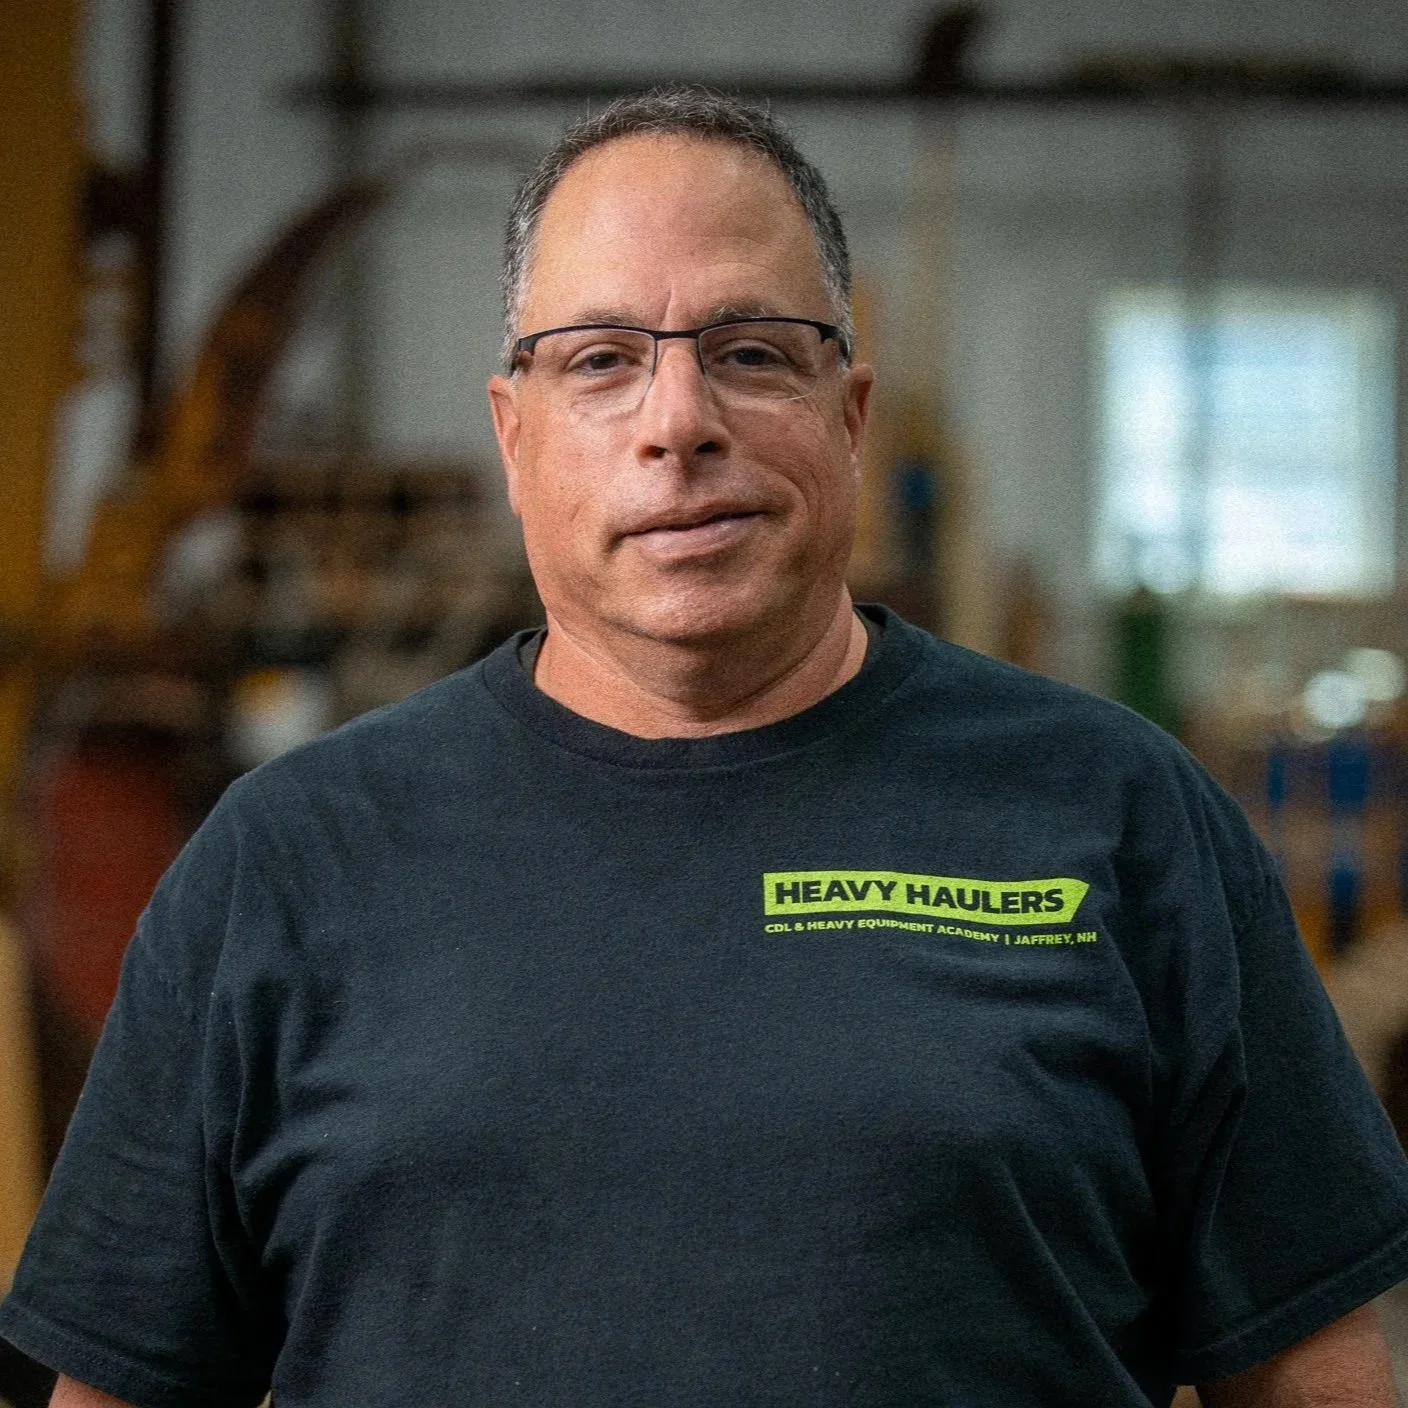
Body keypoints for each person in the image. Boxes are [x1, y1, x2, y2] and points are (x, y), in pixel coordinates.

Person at [4, 86, 1408, 1408]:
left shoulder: (1119, 814)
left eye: (749, 352)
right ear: (516, 434)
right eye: (602, 362)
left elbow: (1317, 1381)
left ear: (849, 417)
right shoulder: (286, 863)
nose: (679, 424)